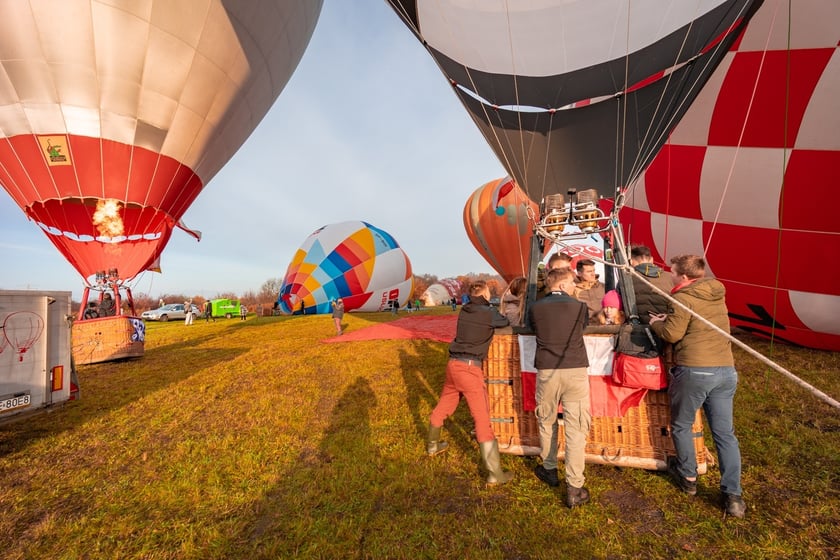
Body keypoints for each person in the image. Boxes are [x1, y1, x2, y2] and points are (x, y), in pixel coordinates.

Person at [648, 254, 746, 518]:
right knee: (724, 434)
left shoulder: (683, 298)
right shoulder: (716, 293)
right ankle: (733, 496)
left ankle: (688, 478)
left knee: (682, 424)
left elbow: (672, 334)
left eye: (672, 272)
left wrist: (656, 323)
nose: (670, 276)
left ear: (683, 276)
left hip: (695, 370)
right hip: (725, 371)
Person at [426, 281, 513, 486]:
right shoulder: (488, 312)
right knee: (482, 418)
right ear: (485, 294)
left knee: (444, 406)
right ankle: (495, 473)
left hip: (453, 365)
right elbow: (504, 321)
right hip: (470, 369)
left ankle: (432, 445)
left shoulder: (464, 310)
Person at [527, 268, 592, 508]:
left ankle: (549, 468)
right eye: (572, 283)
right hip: (575, 370)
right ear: (563, 285)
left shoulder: (535, 307)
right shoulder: (580, 307)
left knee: (546, 420)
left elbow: (532, 328)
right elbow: (583, 328)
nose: (575, 286)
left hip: (547, 370)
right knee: (576, 427)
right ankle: (574, 486)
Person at [628, 245, 672, 322]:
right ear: (652, 260)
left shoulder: (627, 278)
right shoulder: (671, 277)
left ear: (631, 261)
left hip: (637, 325)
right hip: (665, 324)